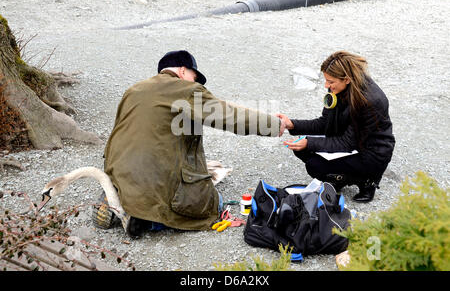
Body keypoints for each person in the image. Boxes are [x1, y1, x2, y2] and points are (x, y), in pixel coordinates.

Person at [100, 50, 285, 237]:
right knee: (215, 202)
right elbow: (229, 116)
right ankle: (147, 219)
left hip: (120, 172)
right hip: (157, 184)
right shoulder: (185, 90)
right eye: (194, 76)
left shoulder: (134, 91)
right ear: (182, 71)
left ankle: (120, 198)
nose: (195, 82)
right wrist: (272, 124)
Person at [277, 51, 395, 203]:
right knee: (302, 148)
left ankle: (367, 181)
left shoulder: (370, 101)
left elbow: (347, 143)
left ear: (346, 79)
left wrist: (309, 142)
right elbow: (325, 123)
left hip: (371, 153)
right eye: (326, 81)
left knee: (315, 165)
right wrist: (292, 124)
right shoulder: (337, 88)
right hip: (350, 140)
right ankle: (339, 177)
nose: (327, 85)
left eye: (330, 82)